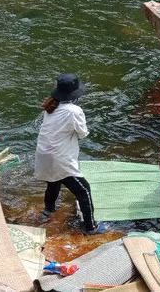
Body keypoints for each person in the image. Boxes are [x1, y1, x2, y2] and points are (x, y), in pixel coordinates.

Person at [34, 74, 106, 235]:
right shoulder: (74, 111)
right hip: (60, 158)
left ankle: (48, 211)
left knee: (53, 182)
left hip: (44, 155)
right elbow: (82, 134)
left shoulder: (51, 107)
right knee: (84, 190)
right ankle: (90, 227)